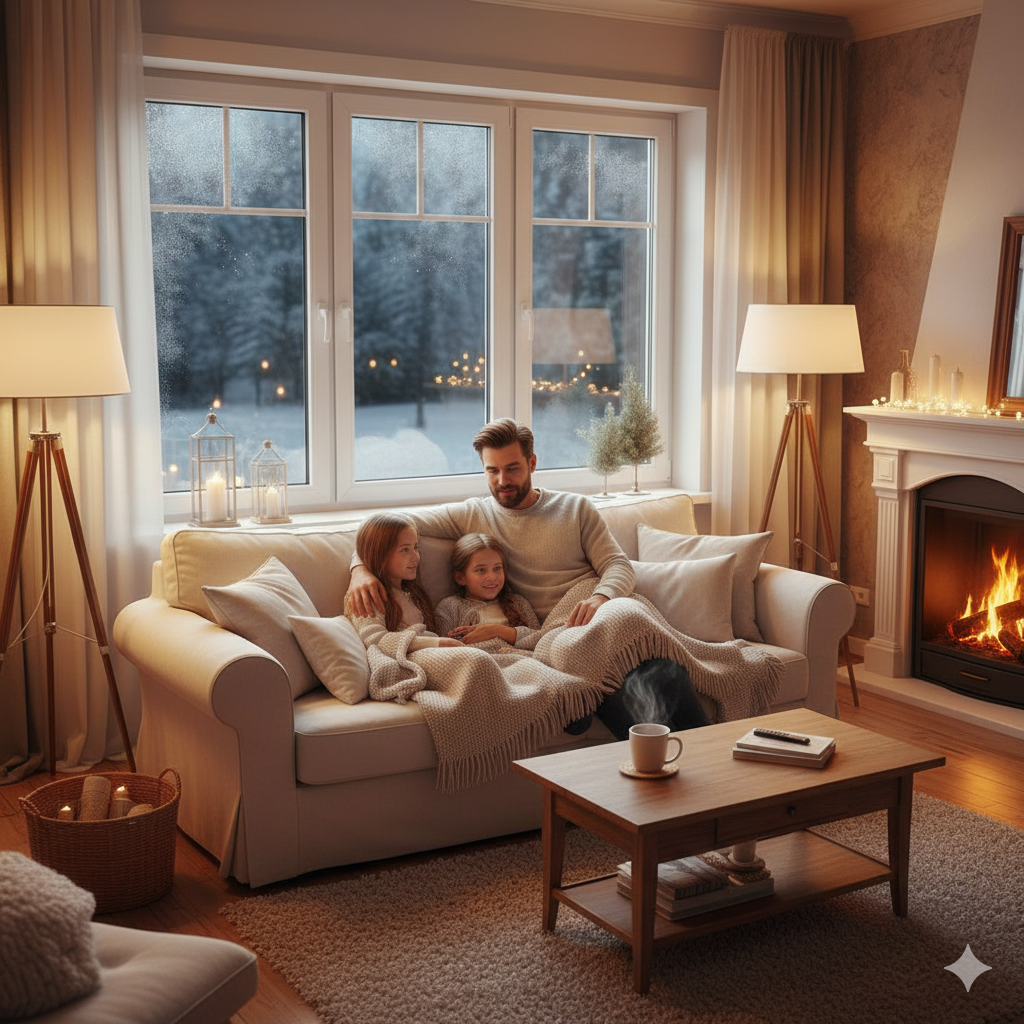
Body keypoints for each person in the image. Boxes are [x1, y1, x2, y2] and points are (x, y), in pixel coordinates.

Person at [346, 418, 709, 739]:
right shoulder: (472, 513)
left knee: (663, 669)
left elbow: (618, 564)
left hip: (593, 613)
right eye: (492, 471)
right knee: (625, 684)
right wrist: (359, 567)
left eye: (513, 468)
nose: (502, 481)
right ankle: (653, 783)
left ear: (533, 463)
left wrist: (600, 598)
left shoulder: (575, 508)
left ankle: (710, 768)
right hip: (550, 637)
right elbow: (384, 528)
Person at [345, 511, 464, 651]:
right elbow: (375, 640)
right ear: (380, 554)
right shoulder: (369, 595)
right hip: (404, 660)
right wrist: (437, 643)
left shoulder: (411, 592)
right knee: (476, 659)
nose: (416, 557)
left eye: (415, 547)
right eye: (405, 550)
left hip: (429, 652)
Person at [435, 533, 541, 646]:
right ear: (460, 578)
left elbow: (541, 641)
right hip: (476, 660)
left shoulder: (518, 603)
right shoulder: (450, 607)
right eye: (481, 570)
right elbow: (443, 648)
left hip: (521, 659)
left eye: (497, 568)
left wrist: (497, 631)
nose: (492, 577)